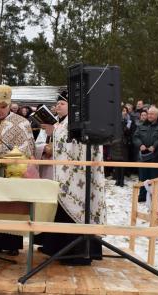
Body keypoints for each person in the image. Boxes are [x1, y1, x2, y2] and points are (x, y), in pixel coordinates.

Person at [37, 90, 106, 265]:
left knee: (76, 211)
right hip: (67, 176)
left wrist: (55, 131)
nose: (58, 106)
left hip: (79, 178)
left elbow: (78, 146)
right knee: (61, 211)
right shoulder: (64, 122)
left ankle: (76, 254)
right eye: (57, 103)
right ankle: (60, 250)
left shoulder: (80, 121)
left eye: (62, 103)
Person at [0, 84, 35, 256]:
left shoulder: (22, 123)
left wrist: (9, 160)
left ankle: (11, 244)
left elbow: (28, 149)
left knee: (9, 208)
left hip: (12, 174)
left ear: (10, 105)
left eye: (3, 107)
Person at [132, 106, 158, 202]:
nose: (149, 115)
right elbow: (135, 137)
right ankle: (142, 195)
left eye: (152, 114)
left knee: (154, 177)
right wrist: (140, 145)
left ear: (157, 115)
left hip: (155, 156)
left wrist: (155, 145)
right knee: (142, 177)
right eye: (149, 113)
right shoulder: (141, 125)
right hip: (143, 156)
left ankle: (154, 195)